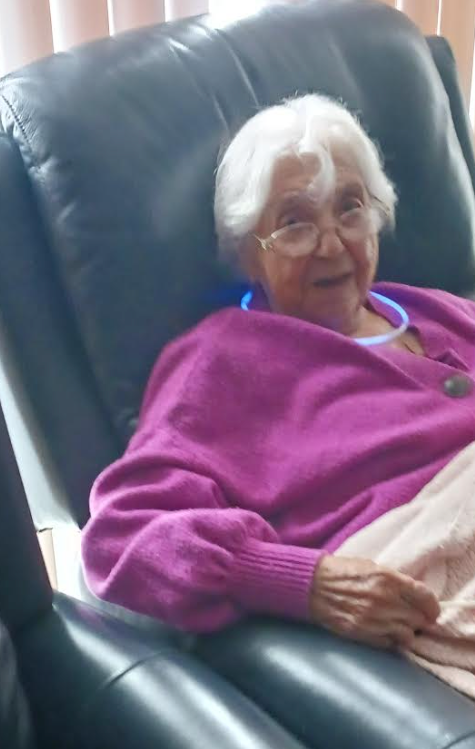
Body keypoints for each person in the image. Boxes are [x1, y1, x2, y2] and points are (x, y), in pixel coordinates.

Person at [81, 93, 475, 650]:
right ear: (248, 254)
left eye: (350, 207)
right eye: (295, 223)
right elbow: (122, 534)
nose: (333, 243)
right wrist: (303, 581)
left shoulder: (440, 309)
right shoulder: (223, 360)